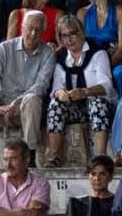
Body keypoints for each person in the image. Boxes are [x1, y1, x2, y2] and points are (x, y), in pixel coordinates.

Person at [0, 13, 53, 167]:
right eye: (30, 28)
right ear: (22, 27)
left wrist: (16, 104)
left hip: (25, 108)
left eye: (38, 30)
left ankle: (30, 156)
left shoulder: (47, 52)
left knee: (33, 99)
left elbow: (41, 86)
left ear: (43, 32)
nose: (33, 34)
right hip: (2, 106)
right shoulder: (5, 48)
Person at [44, 15, 115, 167]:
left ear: (81, 32)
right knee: (55, 105)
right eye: (64, 36)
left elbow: (107, 86)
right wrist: (60, 93)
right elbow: (56, 87)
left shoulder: (98, 53)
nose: (69, 39)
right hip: (74, 107)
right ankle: (54, 156)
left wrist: (84, 92)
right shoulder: (61, 58)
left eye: (72, 34)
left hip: (99, 105)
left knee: (97, 102)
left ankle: (100, 155)